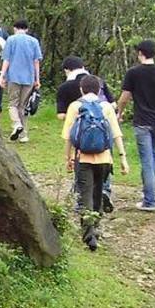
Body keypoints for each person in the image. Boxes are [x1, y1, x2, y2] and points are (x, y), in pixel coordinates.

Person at [61, 75, 129, 250]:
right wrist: (123, 158)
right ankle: (96, 227)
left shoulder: (75, 106)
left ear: (81, 89)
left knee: (85, 194)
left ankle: (89, 234)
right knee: (98, 192)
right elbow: (116, 133)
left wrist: (68, 158)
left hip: (82, 158)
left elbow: (68, 136)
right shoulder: (106, 107)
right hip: (105, 158)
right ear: (99, 90)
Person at [117, 39, 155, 211]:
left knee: (147, 161)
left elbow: (125, 97)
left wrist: (119, 113)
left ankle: (150, 201)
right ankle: (150, 194)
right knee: (154, 157)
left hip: (142, 121)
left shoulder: (133, 73)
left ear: (140, 53)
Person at [57, 57, 117, 213]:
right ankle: (104, 191)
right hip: (104, 147)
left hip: (82, 148)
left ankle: (82, 200)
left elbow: (62, 117)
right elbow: (114, 105)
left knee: (82, 173)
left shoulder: (66, 88)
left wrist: (68, 157)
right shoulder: (99, 83)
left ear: (67, 70)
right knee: (102, 169)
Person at [0, 19, 42, 143]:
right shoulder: (34, 41)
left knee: (13, 104)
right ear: (27, 29)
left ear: (15, 28)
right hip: (29, 77)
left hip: (14, 76)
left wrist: (2, 75)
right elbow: (36, 61)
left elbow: (6, 59)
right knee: (23, 106)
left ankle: (17, 124)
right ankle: (24, 135)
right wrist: (37, 79)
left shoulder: (11, 40)